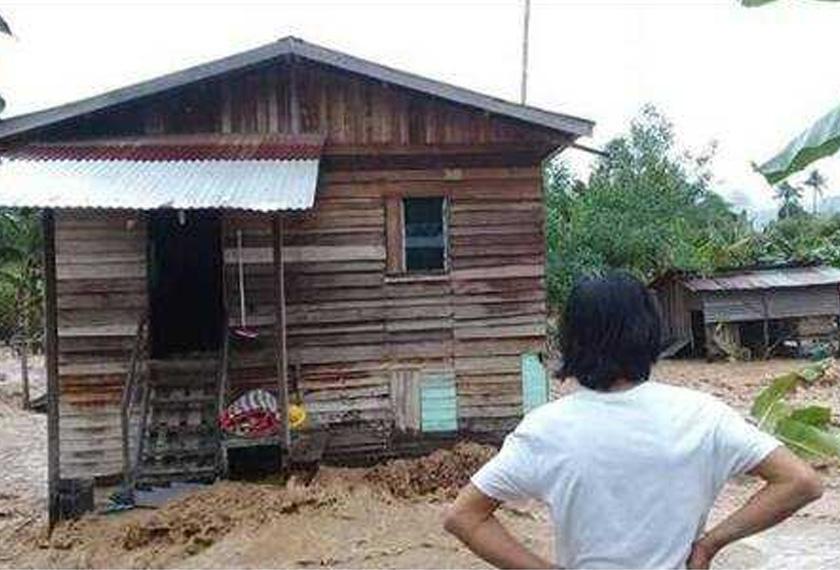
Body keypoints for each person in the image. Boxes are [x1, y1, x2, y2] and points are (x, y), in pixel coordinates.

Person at [443, 271, 823, 569]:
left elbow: (463, 517)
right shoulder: (703, 414)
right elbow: (801, 482)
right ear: (649, 331)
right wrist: (709, 545)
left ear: (572, 339)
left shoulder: (545, 429)